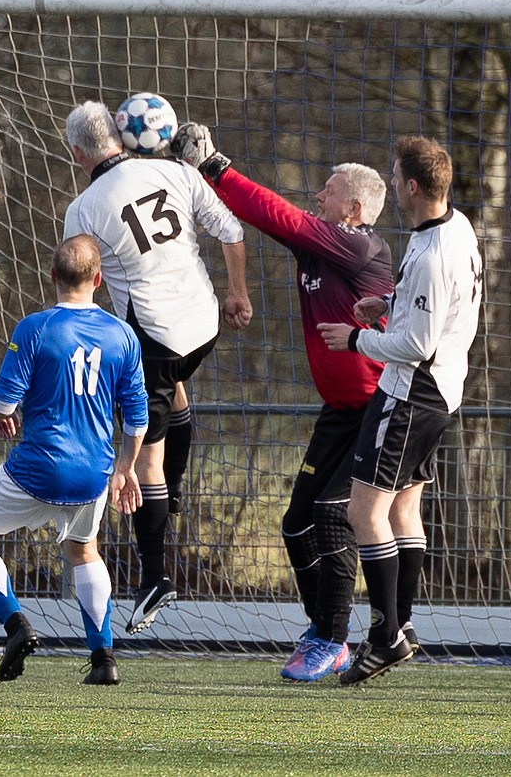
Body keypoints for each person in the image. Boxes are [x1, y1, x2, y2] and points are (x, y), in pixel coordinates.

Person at [172, 124, 393, 682]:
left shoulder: (360, 245)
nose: (317, 196)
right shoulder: (321, 243)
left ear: (356, 206)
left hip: (379, 408)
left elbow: (281, 215)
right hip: (339, 411)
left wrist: (216, 164)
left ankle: (335, 636)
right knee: (296, 524)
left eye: (328, 189)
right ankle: (324, 628)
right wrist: (203, 178)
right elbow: (265, 215)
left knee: (331, 516)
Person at [61, 100, 253, 635]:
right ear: (121, 136)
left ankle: (155, 577)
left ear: (79, 151)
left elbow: (81, 278)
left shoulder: (84, 208)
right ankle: (173, 491)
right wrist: (237, 293)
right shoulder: (178, 171)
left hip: (158, 340)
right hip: (207, 325)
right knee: (174, 397)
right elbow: (232, 229)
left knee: (145, 455)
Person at [319, 134, 483, 686]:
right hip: (442, 391)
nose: (390, 184)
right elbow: (436, 306)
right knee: (404, 510)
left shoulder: (435, 251)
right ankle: (401, 626)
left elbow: (416, 345)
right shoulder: (452, 228)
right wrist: (388, 304)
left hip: (411, 391)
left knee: (363, 512)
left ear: (412, 186)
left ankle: (385, 636)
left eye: (394, 177)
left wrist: (354, 339)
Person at [0, 234, 147, 684]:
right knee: (84, 551)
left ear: (53, 275)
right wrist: (126, 468)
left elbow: (3, 403)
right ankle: (104, 660)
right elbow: (137, 418)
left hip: (37, 468)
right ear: (98, 279)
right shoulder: (123, 335)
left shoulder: (35, 328)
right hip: (94, 473)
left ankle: (16, 625)